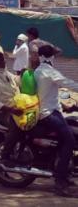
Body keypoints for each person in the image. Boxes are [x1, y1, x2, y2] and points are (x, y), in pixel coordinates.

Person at [34, 45, 78, 197]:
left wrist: (65, 105)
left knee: (71, 127)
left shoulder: (39, 70)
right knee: (70, 141)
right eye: (54, 55)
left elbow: (50, 93)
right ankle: (60, 182)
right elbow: (67, 82)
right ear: (50, 57)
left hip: (51, 110)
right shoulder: (48, 71)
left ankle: (64, 172)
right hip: (47, 114)